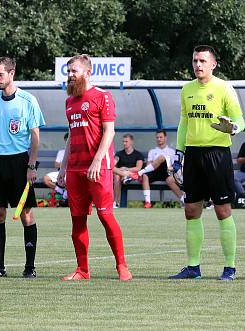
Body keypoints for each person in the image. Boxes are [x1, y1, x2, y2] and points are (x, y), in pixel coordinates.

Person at [169, 45, 244, 281]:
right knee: (191, 210)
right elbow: (184, 123)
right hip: (192, 155)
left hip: (217, 154)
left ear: (213, 64)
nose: (198, 65)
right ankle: (193, 268)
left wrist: (232, 127)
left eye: (202, 61)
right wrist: (179, 153)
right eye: (194, 61)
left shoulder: (224, 88)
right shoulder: (187, 89)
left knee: (223, 210)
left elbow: (239, 119)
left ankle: (230, 268)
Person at [58, 54, 132, 281]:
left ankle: (122, 267)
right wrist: (63, 168)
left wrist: (98, 160)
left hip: (99, 168)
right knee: (77, 219)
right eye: (68, 71)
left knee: (106, 216)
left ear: (87, 73)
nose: (70, 75)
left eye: (74, 71)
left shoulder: (103, 96)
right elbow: (71, 136)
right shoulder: (69, 102)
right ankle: (82, 270)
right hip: (75, 170)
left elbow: (109, 132)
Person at [0, 56, 44, 278]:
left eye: (0, 74)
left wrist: (31, 165)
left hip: (19, 163)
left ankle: (30, 267)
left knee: (25, 214)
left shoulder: (28, 100)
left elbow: (35, 136)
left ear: (11, 73)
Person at [127, 130, 185, 208]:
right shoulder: (152, 151)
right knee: (145, 176)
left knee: (162, 159)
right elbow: (148, 165)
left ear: (165, 138)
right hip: (154, 171)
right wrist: (157, 162)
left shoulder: (171, 151)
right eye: (157, 137)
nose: (159, 139)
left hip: (167, 172)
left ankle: (184, 201)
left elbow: (174, 166)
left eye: (161, 137)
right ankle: (148, 202)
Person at [112, 133, 144, 208]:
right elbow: (113, 163)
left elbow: (138, 168)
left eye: (126, 141)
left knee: (118, 175)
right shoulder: (119, 154)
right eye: (123, 141)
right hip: (120, 175)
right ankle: (116, 202)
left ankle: (116, 202)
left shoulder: (138, 154)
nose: (124, 143)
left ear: (131, 142)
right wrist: (121, 170)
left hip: (133, 175)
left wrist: (126, 169)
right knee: (116, 176)